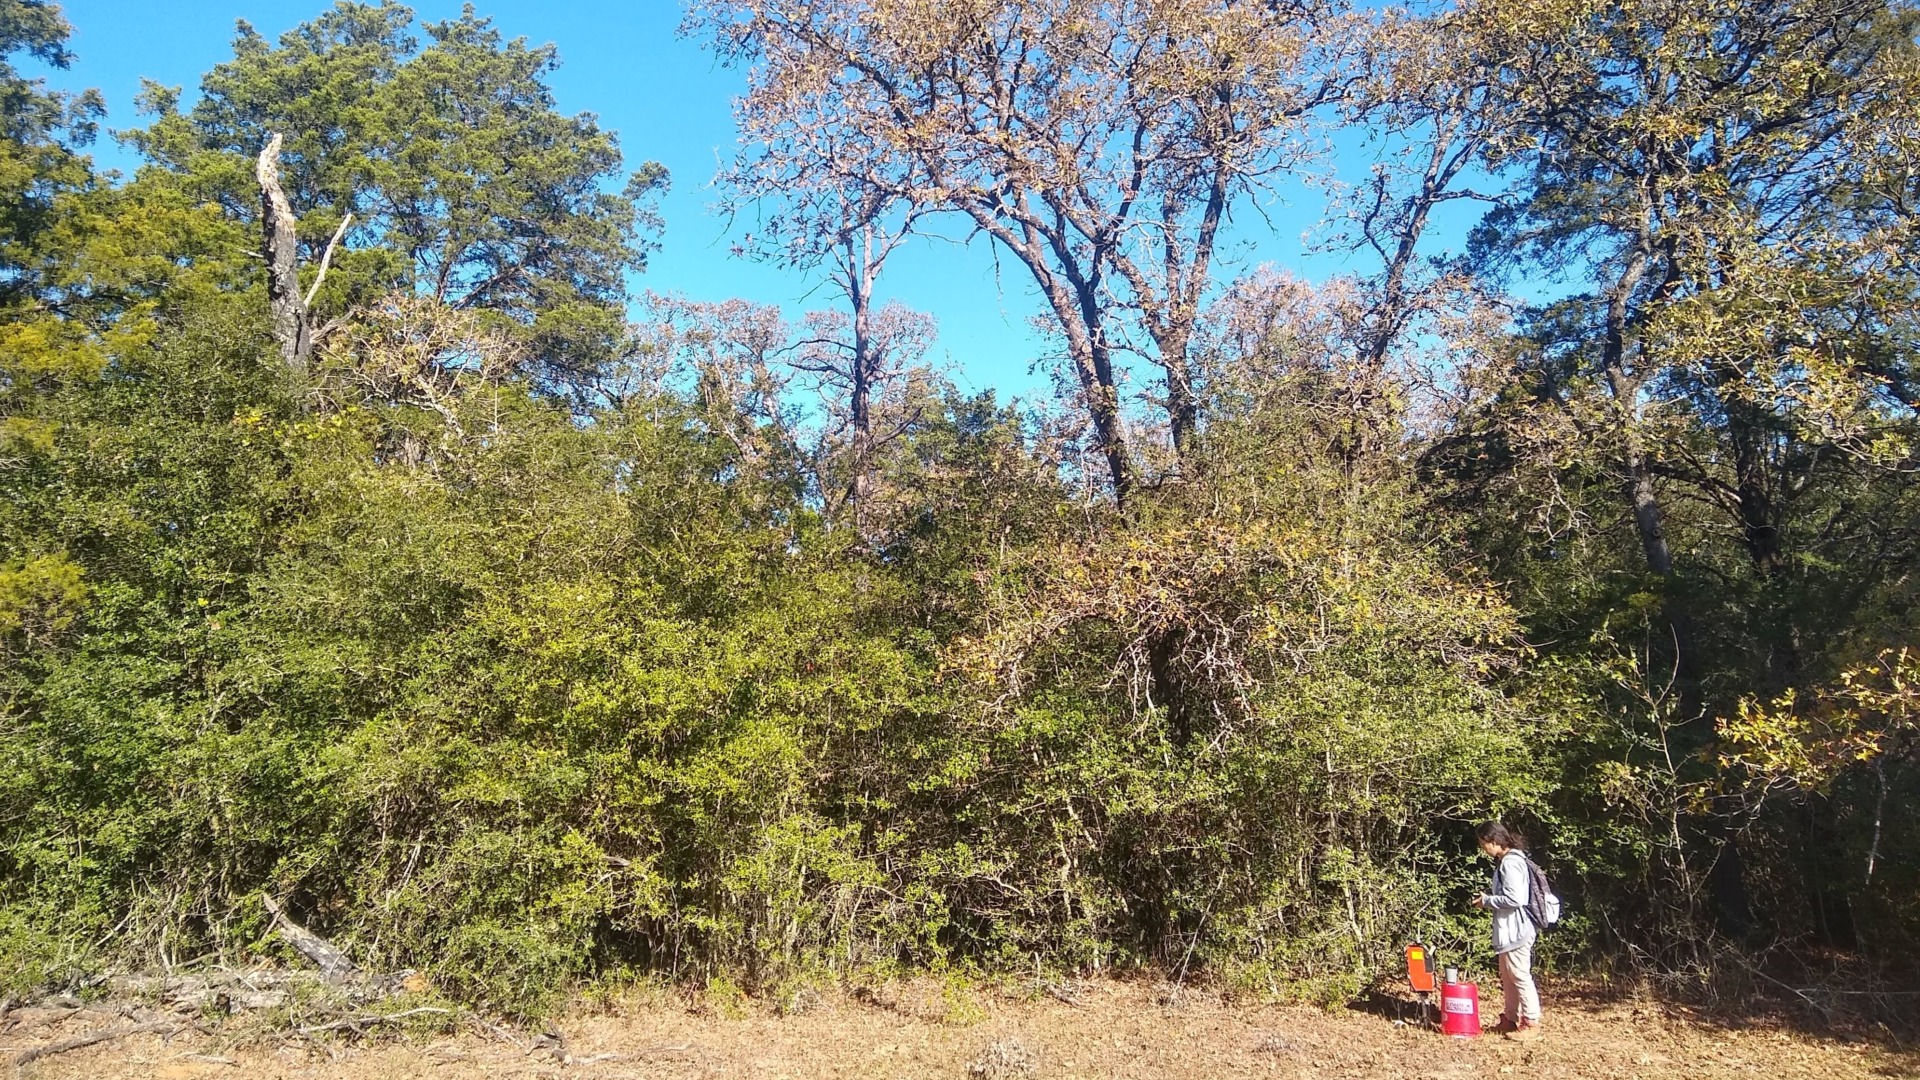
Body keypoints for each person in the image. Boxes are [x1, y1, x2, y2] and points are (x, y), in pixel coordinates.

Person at [1472, 821, 1541, 1040]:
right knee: (1508, 976)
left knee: (1519, 975)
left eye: (1484, 843)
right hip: (1510, 931)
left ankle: (1531, 1022)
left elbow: (1515, 898)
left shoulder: (1510, 863)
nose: (1484, 849)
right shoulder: (1510, 860)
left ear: (1494, 841)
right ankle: (1510, 1019)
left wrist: (1487, 901)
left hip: (1516, 930)